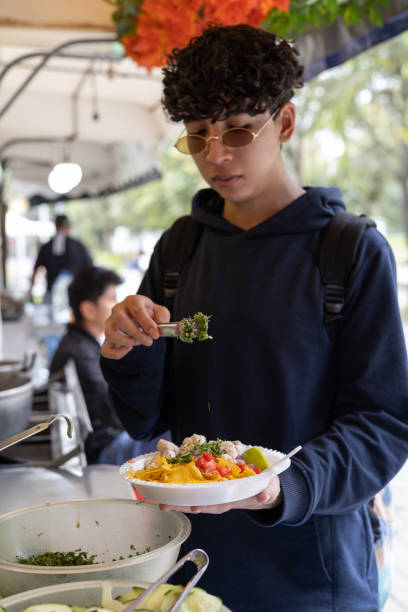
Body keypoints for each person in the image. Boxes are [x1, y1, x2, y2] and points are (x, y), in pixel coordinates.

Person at [100, 24, 408, 612]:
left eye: (238, 131)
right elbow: (146, 419)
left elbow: (383, 424)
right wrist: (125, 350)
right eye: (197, 137)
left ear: (284, 124)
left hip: (314, 573)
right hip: (195, 567)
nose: (216, 155)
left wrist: (280, 487)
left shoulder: (350, 251)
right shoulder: (181, 248)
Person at [49, 265, 167, 465]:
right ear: (88, 309)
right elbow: (115, 413)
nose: (118, 306)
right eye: (112, 298)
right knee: (171, 437)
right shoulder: (79, 354)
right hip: (103, 449)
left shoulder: (76, 344)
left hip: (97, 442)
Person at [30, 214, 92, 296]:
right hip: (55, 292)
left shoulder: (77, 246)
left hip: (74, 292)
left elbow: (89, 269)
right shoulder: (47, 247)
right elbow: (36, 269)